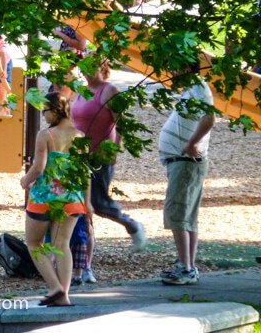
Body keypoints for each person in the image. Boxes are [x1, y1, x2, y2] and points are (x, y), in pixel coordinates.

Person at [71, 57, 146, 273]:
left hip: (101, 155)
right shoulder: (79, 90)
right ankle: (83, 258)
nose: (86, 73)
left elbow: (120, 123)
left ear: (102, 68)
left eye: (90, 68)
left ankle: (131, 225)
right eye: (83, 69)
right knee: (80, 205)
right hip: (78, 155)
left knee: (98, 203)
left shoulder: (109, 90)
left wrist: (114, 150)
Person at [21, 92, 92, 307]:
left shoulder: (46, 135)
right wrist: (87, 202)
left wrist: (26, 179)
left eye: (45, 111)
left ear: (55, 110)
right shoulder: (80, 137)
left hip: (45, 196)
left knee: (34, 243)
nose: (44, 116)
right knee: (62, 244)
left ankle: (55, 287)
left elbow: (39, 167)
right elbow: (85, 173)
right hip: (72, 197)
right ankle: (65, 294)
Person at [158, 63, 215, 285]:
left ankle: (185, 267)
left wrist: (191, 143)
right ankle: (188, 266)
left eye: (175, 66)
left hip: (186, 161)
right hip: (180, 162)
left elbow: (209, 118)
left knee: (177, 214)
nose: (171, 70)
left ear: (187, 66)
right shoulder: (190, 89)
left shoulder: (199, 87)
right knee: (186, 216)